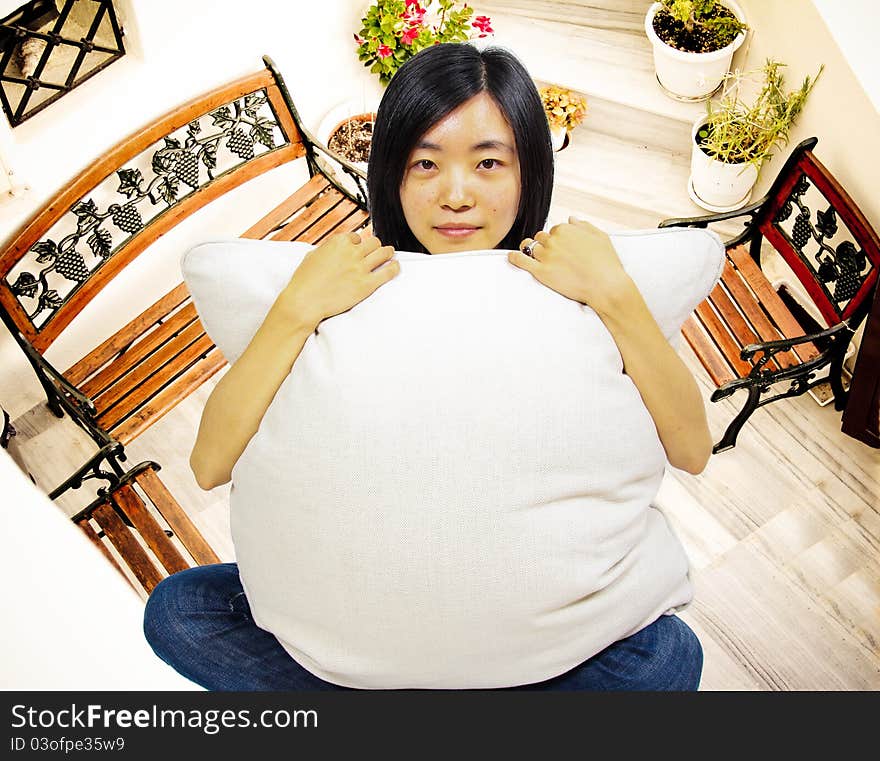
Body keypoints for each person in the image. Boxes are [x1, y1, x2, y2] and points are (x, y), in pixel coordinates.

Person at [143, 43, 710, 691]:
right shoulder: (342, 285)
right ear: (392, 175)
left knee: (668, 656)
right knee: (180, 610)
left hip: (539, 645)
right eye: (425, 164)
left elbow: (690, 449)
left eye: (489, 162)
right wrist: (296, 308)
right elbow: (210, 463)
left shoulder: (576, 280)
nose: (457, 195)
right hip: (382, 635)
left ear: (530, 170)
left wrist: (614, 292)